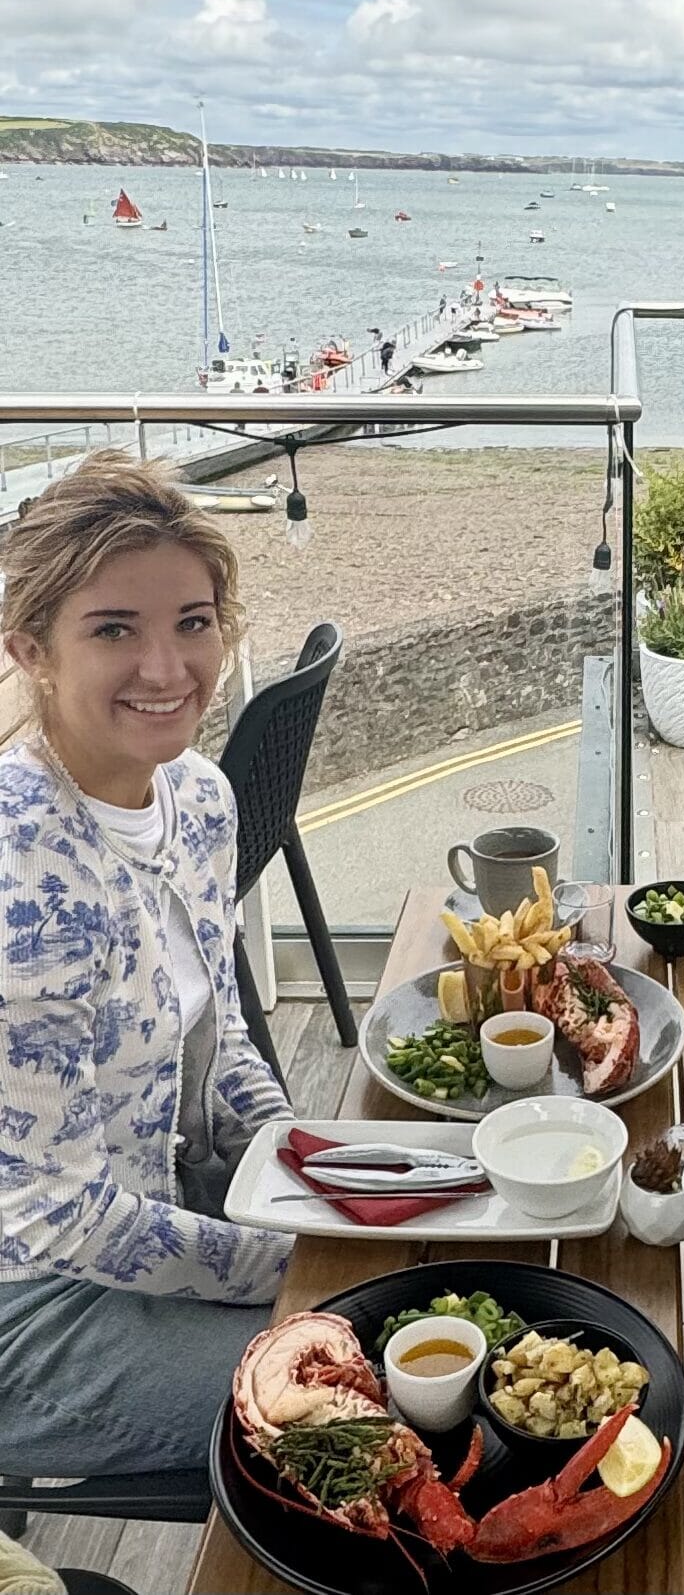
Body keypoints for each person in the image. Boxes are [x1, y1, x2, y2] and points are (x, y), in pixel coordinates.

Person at [0, 452, 294, 1478]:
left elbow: (224, 1046)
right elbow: (53, 1211)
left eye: (193, 622)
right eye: (114, 629)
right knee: (359, 1410)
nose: (167, 669)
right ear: (31, 648)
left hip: (169, 1203)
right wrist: (298, 1265)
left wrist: (308, 1164)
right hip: (32, 1303)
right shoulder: (20, 868)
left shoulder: (200, 798)